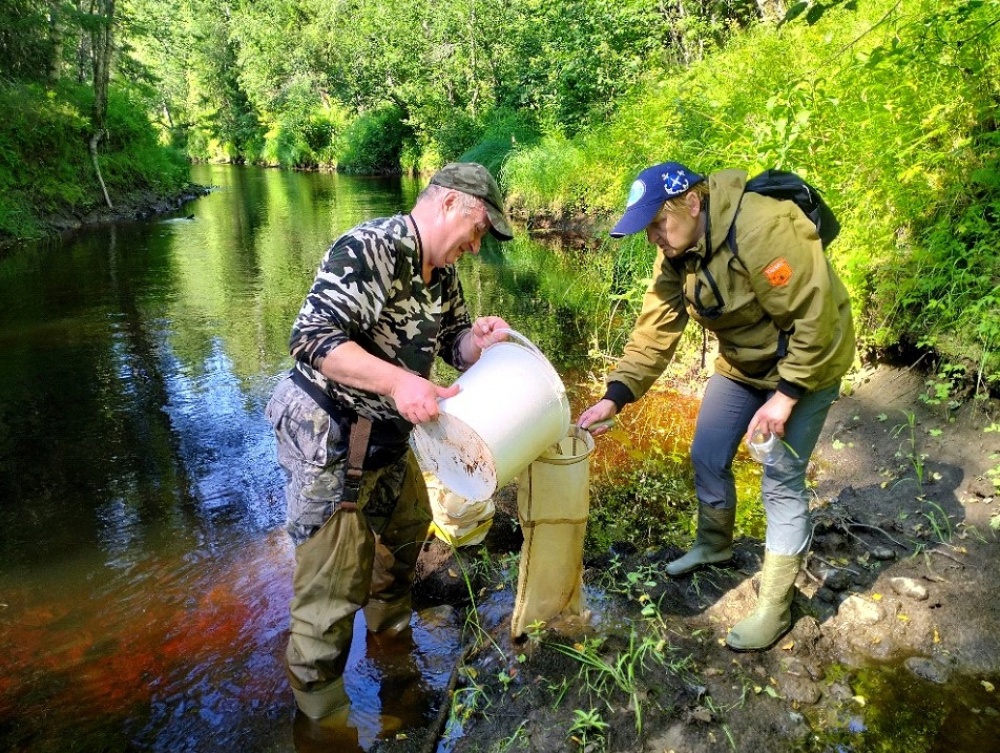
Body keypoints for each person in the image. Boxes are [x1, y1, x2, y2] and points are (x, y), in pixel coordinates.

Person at [265, 162, 514, 721]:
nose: (477, 247)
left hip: (390, 436)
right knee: (329, 598)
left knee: (403, 542)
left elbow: (452, 342)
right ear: (451, 204)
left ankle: (392, 657)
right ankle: (322, 720)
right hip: (332, 435)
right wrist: (400, 381)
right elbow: (310, 339)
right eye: (479, 230)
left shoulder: (440, 270)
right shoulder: (369, 248)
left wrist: (478, 342)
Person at [578, 161, 855, 651]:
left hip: (809, 365)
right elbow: (653, 332)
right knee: (707, 453)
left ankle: (775, 607)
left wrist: (786, 397)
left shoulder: (763, 226)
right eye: (648, 231)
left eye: (658, 225)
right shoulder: (678, 255)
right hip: (744, 365)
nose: (655, 239)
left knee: (780, 480)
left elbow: (815, 315)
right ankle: (714, 545)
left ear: (691, 201)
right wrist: (613, 397)